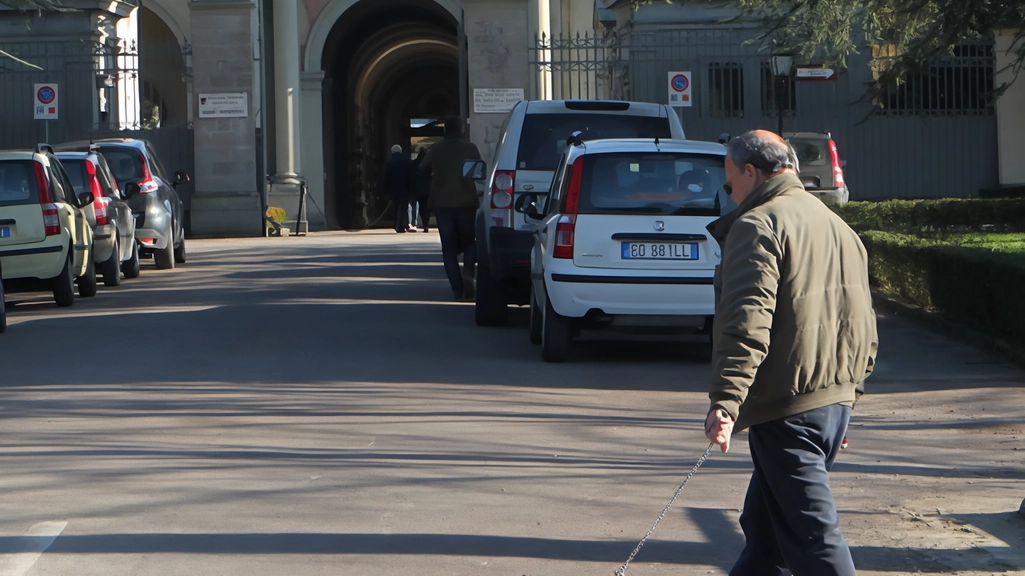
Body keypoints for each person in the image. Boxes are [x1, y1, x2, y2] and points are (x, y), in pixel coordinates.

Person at [704, 130, 878, 576]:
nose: (730, 194)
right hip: (829, 405)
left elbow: (747, 321)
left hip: (788, 410)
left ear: (749, 172)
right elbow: (864, 323)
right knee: (765, 535)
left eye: (729, 184)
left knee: (813, 540)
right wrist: (849, 394)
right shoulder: (837, 225)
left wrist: (726, 402)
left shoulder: (758, 224)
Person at [417, 117, 482, 301]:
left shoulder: (436, 148)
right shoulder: (470, 147)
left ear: (446, 129)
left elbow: (421, 168)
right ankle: (468, 273)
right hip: (466, 201)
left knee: (448, 249)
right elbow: (479, 169)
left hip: (442, 202)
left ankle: (456, 288)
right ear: (461, 129)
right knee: (470, 243)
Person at [383, 144, 414, 233]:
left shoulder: (389, 163)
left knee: (396, 207)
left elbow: (386, 178)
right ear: (401, 151)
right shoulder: (408, 162)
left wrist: (386, 190)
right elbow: (412, 176)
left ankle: (396, 224)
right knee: (404, 207)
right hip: (406, 188)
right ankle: (402, 224)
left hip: (394, 189)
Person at [411, 145, 433, 232]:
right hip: (428, 187)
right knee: (427, 207)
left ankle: (424, 223)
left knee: (421, 206)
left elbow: (412, 176)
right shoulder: (430, 163)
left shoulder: (415, 163)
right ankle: (426, 224)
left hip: (419, 187)